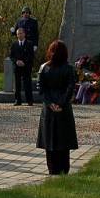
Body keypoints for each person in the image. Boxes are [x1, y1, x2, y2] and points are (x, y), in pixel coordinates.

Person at [36, 40, 78, 174]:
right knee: (63, 139)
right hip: (63, 107)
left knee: (50, 139)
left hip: (49, 108)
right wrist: (60, 103)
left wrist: (50, 104)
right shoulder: (69, 68)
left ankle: (52, 168)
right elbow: (70, 88)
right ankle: (63, 168)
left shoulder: (44, 68)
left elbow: (41, 90)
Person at [10, 27, 35, 106]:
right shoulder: (14, 44)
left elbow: (31, 55)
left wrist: (24, 62)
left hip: (26, 66)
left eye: (21, 33)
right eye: (18, 34)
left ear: (24, 34)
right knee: (17, 84)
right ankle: (18, 100)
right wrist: (16, 61)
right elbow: (11, 56)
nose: (19, 35)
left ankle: (29, 100)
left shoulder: (29, 43)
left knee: (27, 84)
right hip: (17, 67)